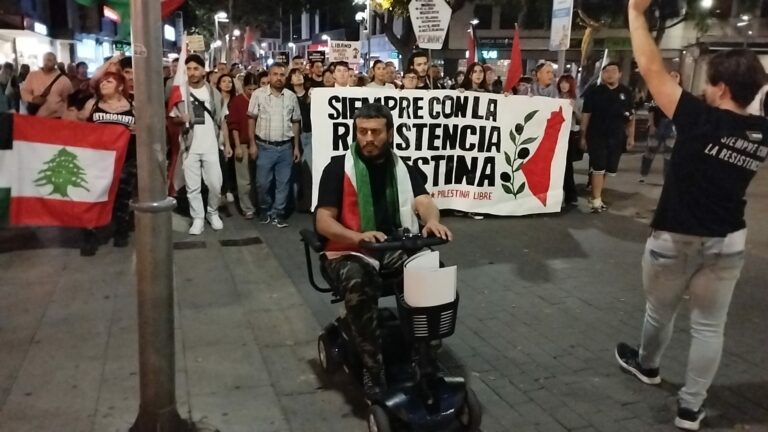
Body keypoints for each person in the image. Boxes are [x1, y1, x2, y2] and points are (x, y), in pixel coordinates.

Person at [616, 3, 768, 432]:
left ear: (721, 88)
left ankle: (648, 365)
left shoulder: (700, 119)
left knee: (659, 311)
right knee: (709, 328)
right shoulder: (761, 133)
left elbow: (650, 68)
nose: (703, 88)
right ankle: (690, 408)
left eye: (708, 82)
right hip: (728, 242)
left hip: (674, 238)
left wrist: (636, 13)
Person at [315, 102, 452, 400]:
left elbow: (424, 201)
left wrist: (431, 221)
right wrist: (357, 237)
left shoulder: (403, 168)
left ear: (389, 133)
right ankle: (372, 367)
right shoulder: (338, 168)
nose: (368, 138)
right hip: (347, 250)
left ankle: (424, 355)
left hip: (390, 245)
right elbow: (323, 221)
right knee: (358, 281)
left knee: (432, 271)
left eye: (375, 132)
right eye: (362, 131)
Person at [171, 54, 232, 235]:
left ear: (203, 71)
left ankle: (212, 212)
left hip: (211, 146)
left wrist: (227, 144)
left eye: (196, 69)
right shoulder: (180, 92)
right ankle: (198, 217)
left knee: (215, 184)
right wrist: (181, 119)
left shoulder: (214, 93)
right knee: (193, 187)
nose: (192, 72)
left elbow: (222, 120)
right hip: (190, 148)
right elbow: (172, 119)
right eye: (189, 69)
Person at [79, 72, 137, 254]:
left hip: (125, 159)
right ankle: (90, 235)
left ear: (120, 86)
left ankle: (121, 231)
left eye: (109, 81)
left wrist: (139, 129)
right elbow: (77, 123)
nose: (103, 84)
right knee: (93, 196)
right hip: (97, 159)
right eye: (102, 82)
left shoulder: (133, 105)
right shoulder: (92, 104)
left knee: (122, 196)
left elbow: (147, 127)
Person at [247, 63, 302, 228]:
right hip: (264, 147)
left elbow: (296, 122)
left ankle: (278, 213)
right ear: (269, 76)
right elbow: (251, 120)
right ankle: (265, 209)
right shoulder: (258, 94)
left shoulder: (291, 97)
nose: (279, 78)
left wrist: (296, 146)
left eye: (282, 75)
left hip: (285, 148)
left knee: (283, 183)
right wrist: (252, 144)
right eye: (275, 74)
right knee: (262, 183)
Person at [580, 62, 635, 213]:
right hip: (596, 134)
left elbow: (631, 116)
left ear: (620, 74)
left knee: (607, 168)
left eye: (613, 71)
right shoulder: (594, 91)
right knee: (598, 166)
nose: (610, 74)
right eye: (606, 71)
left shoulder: (626, 92)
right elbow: (586, 114)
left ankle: (596, 195)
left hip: (616, 135)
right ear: (602, 74)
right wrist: (583, 136)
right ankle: (596, 200)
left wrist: (631, 136)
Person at [640, 70, 682, 183]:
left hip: (672, 126)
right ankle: (643, 174)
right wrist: (651, 124)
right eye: (671, 75)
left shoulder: (682, 95)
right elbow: (651, 109)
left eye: (676, 76)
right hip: (658, 123)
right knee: (650, 151)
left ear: (679, 80)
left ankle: (665, 180)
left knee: (669, 154)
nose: (673, 78)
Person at [226, 72, 258, 219]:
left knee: (257, 178)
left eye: (254, 89)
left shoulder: (259, 99)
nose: (252, 92)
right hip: (243, 144)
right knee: (244, 179)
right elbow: (234, 126)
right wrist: (237, 146)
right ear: (244, 87)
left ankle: (257, 203)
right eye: (249, 89)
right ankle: (247, 207)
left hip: (259, 143)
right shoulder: (237, 101)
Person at [20, 52, 73, 118]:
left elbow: (68, 101)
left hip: (56, 118)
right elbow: (24, 91)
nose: (46, 62)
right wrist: (33, 99)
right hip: (35, 117)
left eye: (49, 60)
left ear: (55, 62)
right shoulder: (32, 75)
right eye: (44, 60)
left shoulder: (64, 80)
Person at [558, 74, 581, 207]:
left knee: (567, 165)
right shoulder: (554, 97)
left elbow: (580, 119)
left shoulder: (576, 99)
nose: (563, 85)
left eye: (566, 83)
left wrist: (573, 109)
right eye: (562, 82)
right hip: (555, 134)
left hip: (569, 134)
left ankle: (570, 195)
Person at [217, 74, 238, 210]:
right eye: (224, 81)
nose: (227, 84)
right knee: (222, 164)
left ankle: (230, 188)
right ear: (219, 84)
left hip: (234, 134)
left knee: (232, 164)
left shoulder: (235, 100)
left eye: (229, 81)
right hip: (220, 135)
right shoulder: (215, 98)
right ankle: (224, 189)